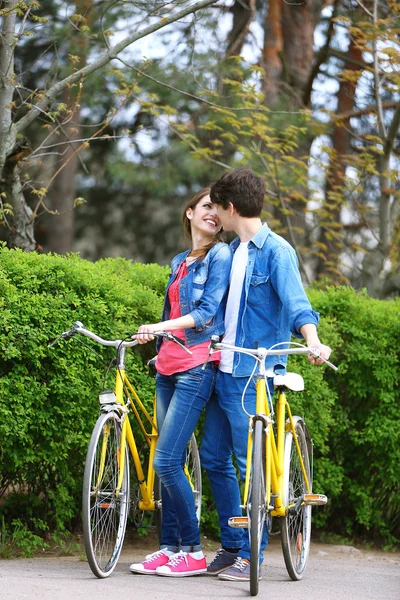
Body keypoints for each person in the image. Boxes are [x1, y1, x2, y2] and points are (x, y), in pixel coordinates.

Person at [200, 167, 332, 581]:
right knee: (212, 458)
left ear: (231, 207)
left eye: (218, 208)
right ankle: (233, 544)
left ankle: (252, 555)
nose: (214, 215)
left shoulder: (276, 251)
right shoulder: (233, 251)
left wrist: (312, 339)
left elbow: (297, 304)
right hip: (222, 365)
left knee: (247, 463)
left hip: (254, 372)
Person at [129, 188, 232, 577]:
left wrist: (159, 328)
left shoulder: (220, 254)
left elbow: (205, 314)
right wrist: (158, 345)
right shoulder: (179, 260)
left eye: (218, 210)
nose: (213, 214)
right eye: (206, 206)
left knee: (168, 461)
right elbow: (172, 310)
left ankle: (192, 550)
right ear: (189, 212)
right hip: (169, 366)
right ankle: (168, 547)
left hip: (197, 365)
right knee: (169, 462)